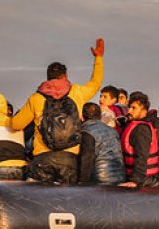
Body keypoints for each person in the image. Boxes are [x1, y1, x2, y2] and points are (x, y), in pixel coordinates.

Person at [10, 38, 105, 183]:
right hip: (70, 159)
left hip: (43, 158)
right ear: (65, 76)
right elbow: (95, 83)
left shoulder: (36, 98)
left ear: (47, 78)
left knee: (38, 203)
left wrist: (2, 117)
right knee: (66, 204)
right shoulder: (76, 93)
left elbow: (16, 125)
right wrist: (98, 58)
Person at [117, 92, 159, 188]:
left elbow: (142, 156)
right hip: (139, 177)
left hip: (144, 180)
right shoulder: (133, 125)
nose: (129, 111)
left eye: (134, 108)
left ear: (144, 111)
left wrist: (135, 181)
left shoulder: (141, 129)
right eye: (129, 107)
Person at [78, 103, 125, 185]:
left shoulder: (87, 132)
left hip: (100, 179)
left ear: (82, 117)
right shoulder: (113, 131)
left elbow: (87, 158)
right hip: (120, 177)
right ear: (100, 116)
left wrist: (82, 182)